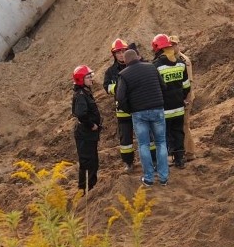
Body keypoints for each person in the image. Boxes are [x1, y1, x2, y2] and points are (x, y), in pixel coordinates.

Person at [115, 48, 169, 187]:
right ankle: (163, 177)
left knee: (144, 145)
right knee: (161, 142)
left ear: (126, 61)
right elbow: (163, 86)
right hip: (157, 109)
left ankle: (149, 178)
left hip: (139, 114)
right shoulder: (151, 67)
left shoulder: (123, 74)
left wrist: (130, 110)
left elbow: (120, 98)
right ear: (138, 57)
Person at [151, 33, 191, 169]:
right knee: (178, 132)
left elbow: (155, 89)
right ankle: (179, 159)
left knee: (164, 136)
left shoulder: (156, 66)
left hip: (164, 109)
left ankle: (165, 161)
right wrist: (181, 97)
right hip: (179, 106)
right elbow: (186, 86)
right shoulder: (181, 64)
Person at [103, 38, 136, 172]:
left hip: (136, 106)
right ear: (114, 55)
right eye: (118, 53)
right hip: (122, 110)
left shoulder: (133, 66)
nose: (121, 55)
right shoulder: (110, 72)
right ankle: (128, 162)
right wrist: (120, 87)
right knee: (125, 139)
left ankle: (152, 159)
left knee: (146, 135)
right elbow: (107, 87)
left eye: (123, 51)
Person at [71, 64, 101, 192]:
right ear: (81, 79)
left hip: (88, 133)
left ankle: (89, 187)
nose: (91, 79)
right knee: (88, 162)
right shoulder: (81, 95)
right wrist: (92, 124)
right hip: (86, 133)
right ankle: (86, 189)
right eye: (88, 77)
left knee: (92, 160)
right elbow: (81, 114)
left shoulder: (85, 93)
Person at [169, 34, 196, 161]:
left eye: (174, 44)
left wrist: (187, 98)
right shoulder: (173, 59)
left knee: (184, 125)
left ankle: (190, 152)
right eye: (170, 44)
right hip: (180, 97)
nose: (172, 47)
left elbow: (189, 81)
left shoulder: (183, 60)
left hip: (186, 97)